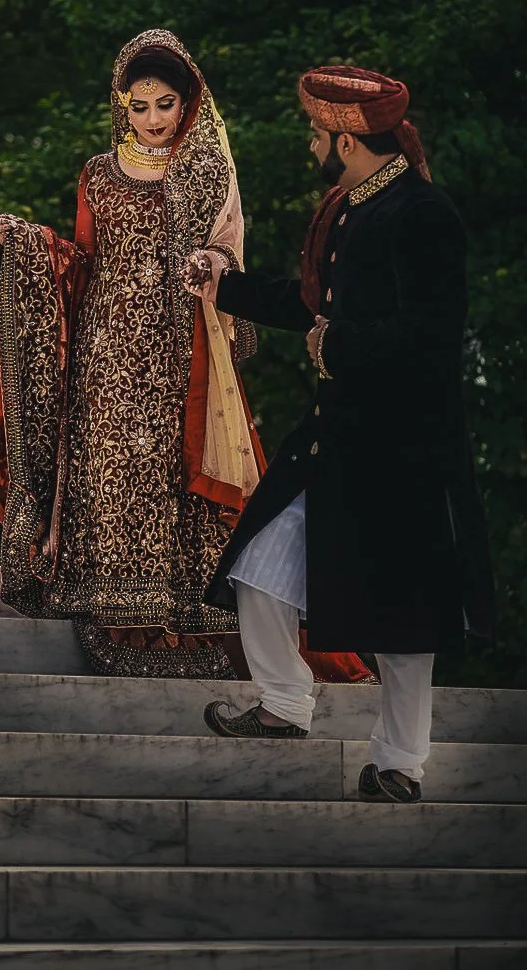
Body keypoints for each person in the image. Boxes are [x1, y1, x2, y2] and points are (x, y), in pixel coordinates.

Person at [0, 30, 370, 684]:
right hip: (104, 354)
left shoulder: (206, 170)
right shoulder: (96, 174)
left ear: (189, 104)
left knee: (173, 484)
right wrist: (30, 244)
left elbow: (227, 259)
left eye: (165, 105)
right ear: (121, 105)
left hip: (180, 354)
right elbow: (82, 261)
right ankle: (118, 620)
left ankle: (188, 626)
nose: (152, 119)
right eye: (139, 105)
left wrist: (215, 264)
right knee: (110, 479)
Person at [189, 65, 494, 801]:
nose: (310, 144)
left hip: (406, 447)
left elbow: (430, 333)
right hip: (338, 438)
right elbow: (309, 302)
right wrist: (220, 283)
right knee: (259, 563)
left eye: (316, 133)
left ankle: (400, 763)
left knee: (404, 614)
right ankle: (285, 704)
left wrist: (339, 345)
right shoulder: (350, 207)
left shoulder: (423, 213)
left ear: (347, 138)